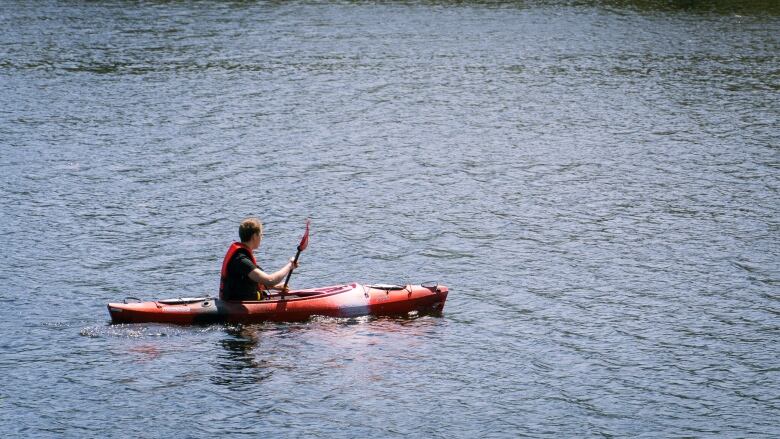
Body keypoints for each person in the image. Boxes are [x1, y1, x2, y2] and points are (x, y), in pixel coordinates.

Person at [219, 218, 299, 301]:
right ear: (254, 236)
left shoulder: (242, 256)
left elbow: (249, 283)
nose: (262, 237)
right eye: (261, 235)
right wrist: (290, 265)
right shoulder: (241, 260)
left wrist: (275, 287)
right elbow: (270, 280)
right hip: (236, 306)